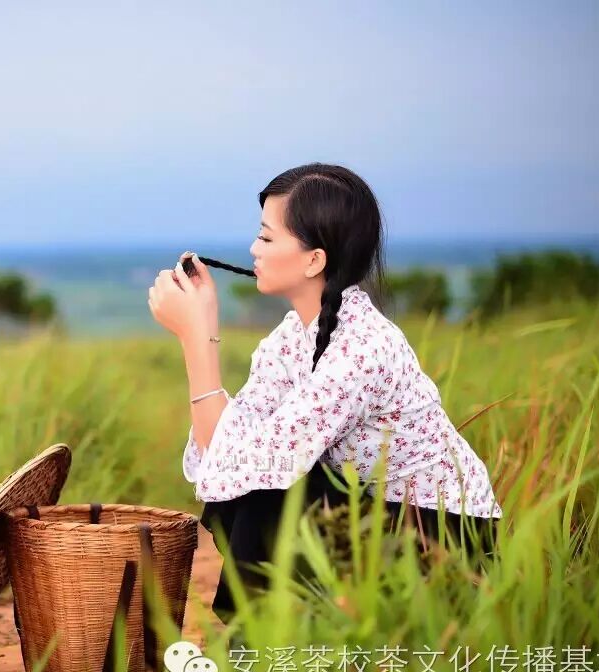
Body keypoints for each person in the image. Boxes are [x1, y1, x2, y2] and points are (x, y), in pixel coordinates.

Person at [147, 163, 503, 624]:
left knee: (266, 490)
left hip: (443, 538)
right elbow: (225, 453)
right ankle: (279, 630)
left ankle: (266, 640)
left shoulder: (363, 348)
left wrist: (196, 338)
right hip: (379, 516)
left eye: (267, 237)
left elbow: (245, 464)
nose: (253, 249)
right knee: (248, 483)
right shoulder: (291, 337)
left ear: (314, 260)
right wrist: (203, 327)